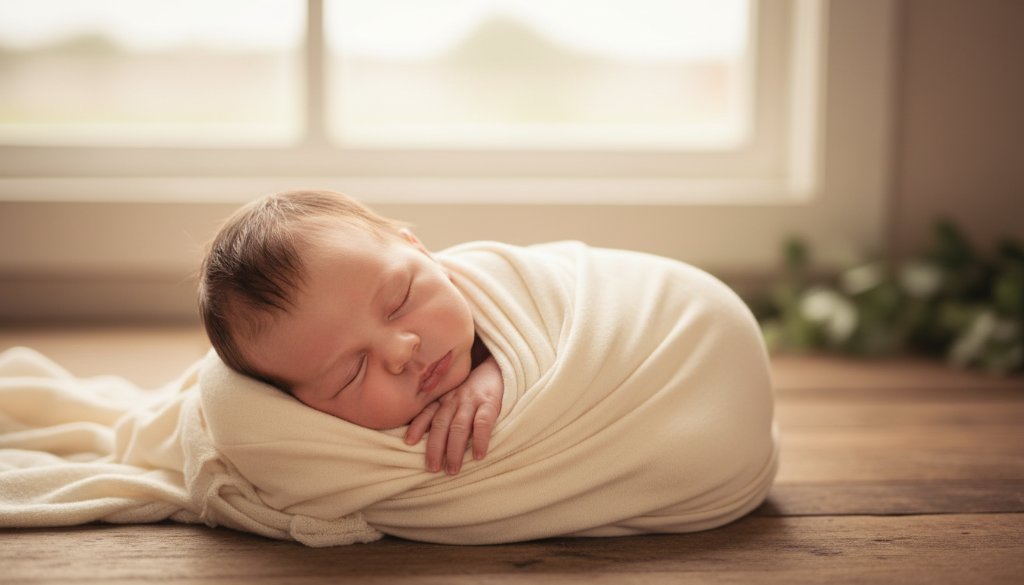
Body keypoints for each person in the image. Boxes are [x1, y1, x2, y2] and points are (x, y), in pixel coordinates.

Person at [198, 189, 504, 476]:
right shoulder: (344, 461)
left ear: (420, 251)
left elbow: (549, 317)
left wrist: (502, 368)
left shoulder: (505, 285)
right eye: (352, 372)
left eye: (399, 302)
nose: (400, 352)